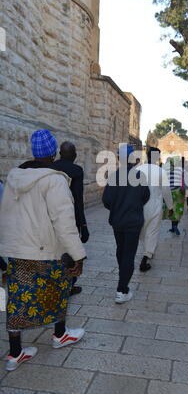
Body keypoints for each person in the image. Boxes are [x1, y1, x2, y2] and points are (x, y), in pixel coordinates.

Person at [0, 130, 87, 372]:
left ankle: (15, 353)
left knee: (17, 299)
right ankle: (60, 335)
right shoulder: (55, 180)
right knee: (58, 289)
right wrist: (78, 254)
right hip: (46, 250)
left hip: (18, 250)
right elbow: (64, 222)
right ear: (52, 152)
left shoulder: (14, 177)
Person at [102, 144, 150, 304]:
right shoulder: (140, 177)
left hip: (118, 221)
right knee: (128, 254)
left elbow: (106, 200)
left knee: (121, 250)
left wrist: (117, 208)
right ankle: (122, 290)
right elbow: (145, 197)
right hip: (133, 222)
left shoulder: (114, 176)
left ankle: (122, 281)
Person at [53, 142, 89, 296]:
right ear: (74, 156)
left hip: (51, 217)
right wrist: (84, 225)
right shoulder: (76, 171)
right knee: (71, 253)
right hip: (70, 218)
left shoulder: (50, 167)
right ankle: (69, 285)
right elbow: (78, 200)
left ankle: (55, 284)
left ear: (60, 153)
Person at [139, 148, 174, 272]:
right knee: (152, 231)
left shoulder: (138, 170)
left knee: (141, 229)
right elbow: (166, 191)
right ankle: (146, 255)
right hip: (154, 206)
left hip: (139, 206)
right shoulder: (160, 172)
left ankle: (142, 250)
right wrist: (170, 206)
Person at [164, 157, 188, 235]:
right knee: (178, 209)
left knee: (171, 208)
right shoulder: (181, 169)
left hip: (169, 192)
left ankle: (173, 227)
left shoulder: (166, 170)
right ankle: (175, 225)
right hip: (179, 192)